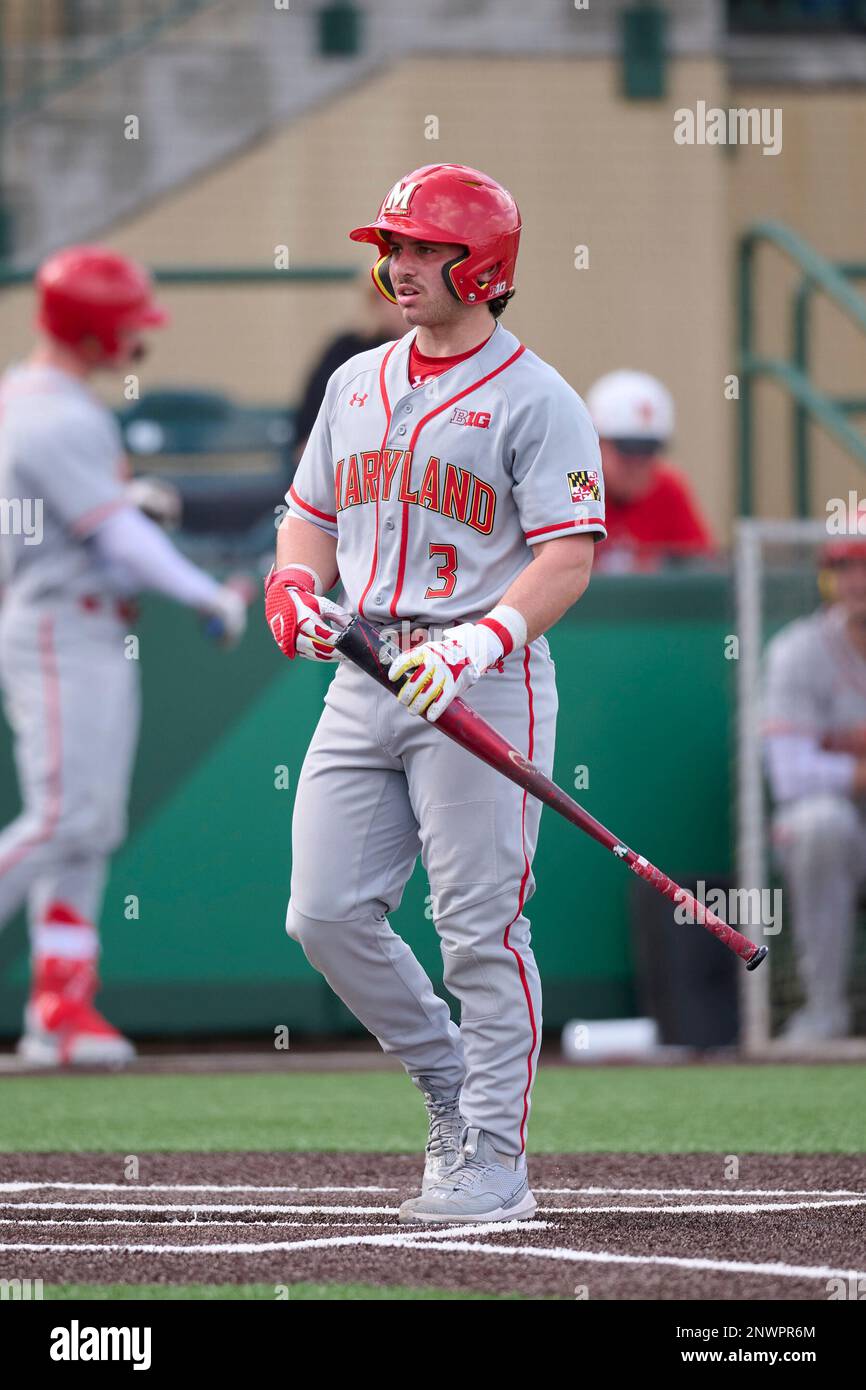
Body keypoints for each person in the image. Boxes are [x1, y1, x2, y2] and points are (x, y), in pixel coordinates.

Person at [265, 163, 605, 1224]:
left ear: (481, 265)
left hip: (480, 682)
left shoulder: (538, 397)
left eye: (421, 248)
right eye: (396, 247)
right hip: (367, 672)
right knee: (321, 913)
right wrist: (289, 584)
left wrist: (478, 640)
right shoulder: (354, 380)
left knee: (479, 929)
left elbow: (566, 556)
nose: (399, 265)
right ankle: (453, 1084)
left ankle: (492, 1159)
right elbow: (308, 512)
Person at [0, 245, 248, 1067]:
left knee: (89, 826)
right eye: (127, 325)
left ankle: (60, 1008)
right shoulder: (52, 410)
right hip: (57, 621)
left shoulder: (54, 404)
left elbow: (102, 522)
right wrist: (208, 595)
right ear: (96, 329)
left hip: (87, 619)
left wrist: (134, 512)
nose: (138, 341)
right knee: (64, 819)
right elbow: (117, 535)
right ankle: (57, 1010)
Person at [763, 537, 866, 1044]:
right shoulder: (797, 650)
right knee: (820, 824)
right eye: (844, 567)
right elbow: (790, 773)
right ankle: (824, 1010)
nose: (857, 580)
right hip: (842, 830)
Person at [584, 369, 713, 570]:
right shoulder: (583, 483)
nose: (638, 464)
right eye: (626, 450)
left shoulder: (667, 487)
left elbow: (700, 567)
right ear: (595, 443)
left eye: (648, 451)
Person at [291, 281, 406, 464]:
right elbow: (308, 435)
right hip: (350, 464)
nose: (401, 302)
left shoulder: (449, 356)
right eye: (391, 293)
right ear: (374, 301)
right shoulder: (347, 349)